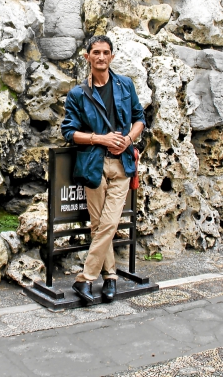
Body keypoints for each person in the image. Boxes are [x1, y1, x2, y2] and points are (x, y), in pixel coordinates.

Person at [61, 35, 146, 303]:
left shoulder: (125, 85)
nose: (101, 57)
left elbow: (139, 118)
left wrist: (128, 140)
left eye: (105, 52)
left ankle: (84, 279)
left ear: (112, 56)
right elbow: (68, 132)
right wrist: (100, 138)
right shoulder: (77, 93)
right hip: (93, 165)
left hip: (122, 165)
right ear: (87, 57)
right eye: (95, 52)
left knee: (108, 223)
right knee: (99, 224)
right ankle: (110, 278)